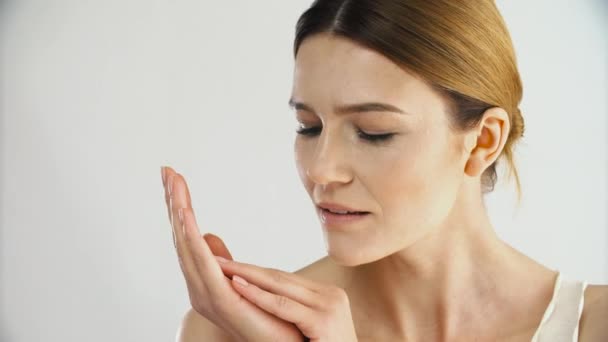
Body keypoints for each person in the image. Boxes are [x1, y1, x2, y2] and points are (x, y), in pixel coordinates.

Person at [162, 0, 608, 341]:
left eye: (374, 132)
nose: (321, 170)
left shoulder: (594, 326)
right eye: (309, 126)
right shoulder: (230, 332)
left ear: (483, 141)